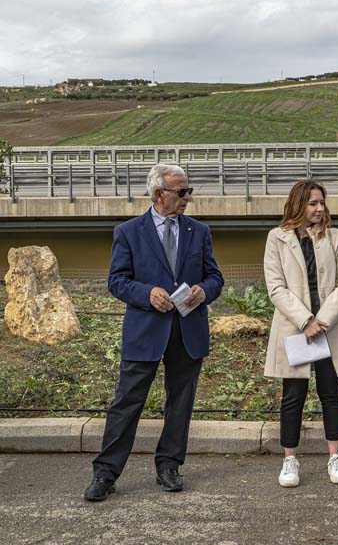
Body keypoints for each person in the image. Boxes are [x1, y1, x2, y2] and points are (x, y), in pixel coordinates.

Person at [83, 164, 224, 502]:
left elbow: (215, 278)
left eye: (188, 191)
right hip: (145, 332)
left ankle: (169, 466)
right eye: (182, 191)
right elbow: (117, 281)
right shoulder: (129, 232)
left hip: (187, 332)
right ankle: (105, 473)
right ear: (159, 193)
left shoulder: (199, 231)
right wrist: (146, 294)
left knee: (180, 404)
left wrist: (204, 291)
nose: (187, 197)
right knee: (126, 403)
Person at [263, 179, 338, 488]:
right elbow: (276, 287)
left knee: (332, 393)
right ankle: (289, 460)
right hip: (296, 330)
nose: (320, 208)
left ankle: (335, 457)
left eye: (322, 203)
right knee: (293, 396)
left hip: (329, 329)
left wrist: (321, 320)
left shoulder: (336, 237)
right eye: (313, 203)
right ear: (298, 204)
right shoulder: (276, 238)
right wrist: (306, 320)